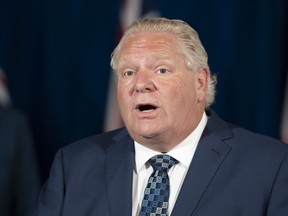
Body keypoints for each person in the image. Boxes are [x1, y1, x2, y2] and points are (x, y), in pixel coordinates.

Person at [35, 17, 288, 216]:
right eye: (128, 72)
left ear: (200, 82)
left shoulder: (271, 167)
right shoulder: (74, 167)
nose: (141, 84)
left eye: (161, 69)